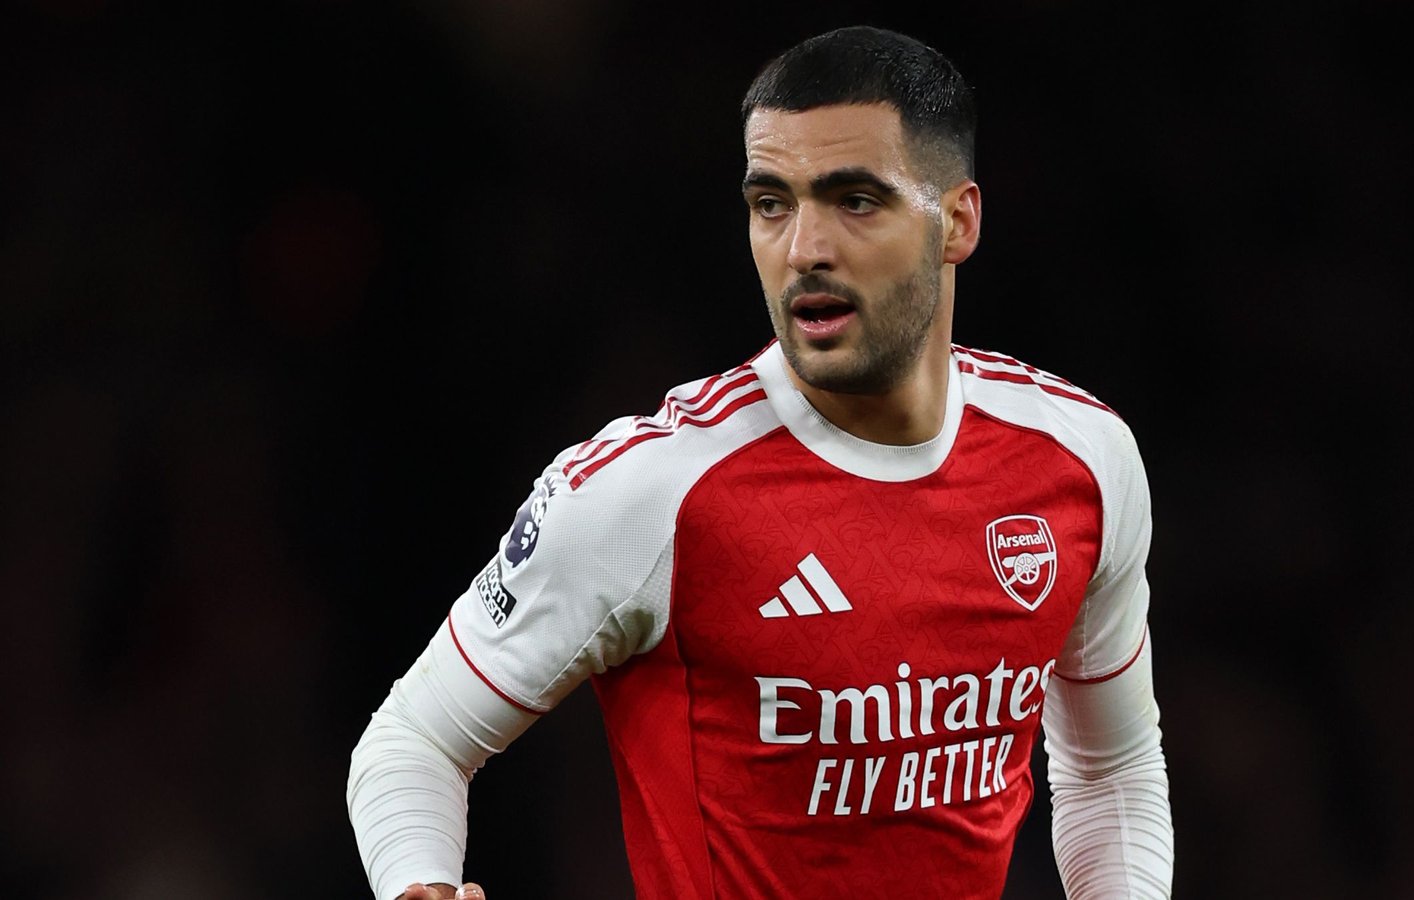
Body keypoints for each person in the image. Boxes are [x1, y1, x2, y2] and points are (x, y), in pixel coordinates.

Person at [348, 25, 1173, 900]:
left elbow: (1111, 767)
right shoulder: (649, 492)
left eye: (855, 200)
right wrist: (418, 887)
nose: (803, 248)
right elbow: (415, 739)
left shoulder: (1081, 459)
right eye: (772, 203)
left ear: (957, 221)